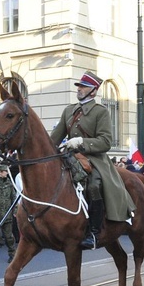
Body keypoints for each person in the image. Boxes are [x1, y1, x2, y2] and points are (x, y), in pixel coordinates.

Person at [49, 71, 136, 248]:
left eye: (83, 86)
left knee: (94, 185)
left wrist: (81, 142)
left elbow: (105, 142)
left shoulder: (100, 112)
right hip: (69, 157)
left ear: (93, 91)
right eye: (79, 86)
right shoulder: (69, 110)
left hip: (93, 159)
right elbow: (54, 139)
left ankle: (94, 232)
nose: (79, 89)